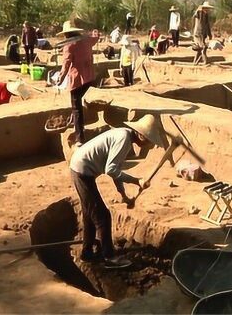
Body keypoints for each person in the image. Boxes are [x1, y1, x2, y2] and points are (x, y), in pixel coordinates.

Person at [69, 114, 164, 268]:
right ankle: (109, 257)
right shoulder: (124, 140)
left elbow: (116, 170)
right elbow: (111, 170)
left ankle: (86, 253)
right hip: (82, 172)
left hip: (81, 169)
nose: (149, 145)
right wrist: (137, 181)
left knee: (89, 214)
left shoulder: (123, 135)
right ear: (140, 134)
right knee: (103, 217)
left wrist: (124, 195)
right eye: (148, 140)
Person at [57, 21, 99, 147]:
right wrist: (95, 31)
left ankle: (80, 138)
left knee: (76, 108)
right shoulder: (87, 40)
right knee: (81, 104)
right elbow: (96, 37)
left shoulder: (69, 45)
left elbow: (66, 64)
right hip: (90, 77)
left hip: (77, 80)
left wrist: (60, 78)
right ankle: (77, 124)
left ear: (66, 34)